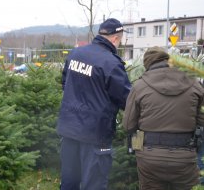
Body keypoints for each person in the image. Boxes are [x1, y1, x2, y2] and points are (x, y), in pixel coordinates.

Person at [57, 18, 131, 190]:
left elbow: (64, 82)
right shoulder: (111, 63)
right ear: (115, 39)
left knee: (69, 181)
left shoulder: (75, 54)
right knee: (94, 184)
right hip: (95, 134)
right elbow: (127, 99)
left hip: (69, 130)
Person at [123, 46, 204, 190]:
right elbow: (201, 119)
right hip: (185, 156)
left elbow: (129, 125)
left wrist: (138, 148)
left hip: (149, 157)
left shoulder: (140, 86)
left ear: (148, 65)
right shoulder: (194, 83)